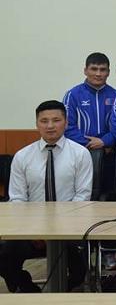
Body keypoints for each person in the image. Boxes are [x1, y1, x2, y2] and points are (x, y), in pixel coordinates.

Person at [0, 101, 92, 292]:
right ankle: (28, 288)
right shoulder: (22, 156)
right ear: (37, 124)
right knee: (5, 256)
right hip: (31, 230)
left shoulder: (80, 154)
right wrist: (34, 230)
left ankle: (61, 294)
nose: (50, 126)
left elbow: (82, 198)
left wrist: (56, 230)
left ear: (66, 122)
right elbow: (17, 200)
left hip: (69, 229)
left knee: (79, 271)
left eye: (56, 120)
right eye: (44, 121)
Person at [63, 52, 116, 194]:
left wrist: (104, 141)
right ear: (85, 70)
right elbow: (67, 127)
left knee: (109, 196)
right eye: (94, 69)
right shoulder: (72, 95)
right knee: (82, 195)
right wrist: (91, 143)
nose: (98, 74)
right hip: (79, 155)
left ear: (108, 72)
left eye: (102, 70)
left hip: (109, 153)